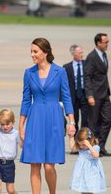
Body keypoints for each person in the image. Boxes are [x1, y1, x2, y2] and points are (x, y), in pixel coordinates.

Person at [19, 37, 76, 194]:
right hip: (35, 118)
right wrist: (21, 126)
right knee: (35, 163)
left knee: (49, 165)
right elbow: (25, 100)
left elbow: (67, 97)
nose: (32, 54)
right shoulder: (28, 73)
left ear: (45, 52)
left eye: (35, 51)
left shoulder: (60, 72)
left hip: (54, 119)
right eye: (31, 51)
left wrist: (71, 122)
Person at [84, 33, 111, 157]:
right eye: (105, 42)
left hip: (105, 94)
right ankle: (92, 148)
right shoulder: (92, 57)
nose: (107, 44)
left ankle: (100, 146)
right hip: (94, 95)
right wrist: (89, 95)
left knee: (108, 119)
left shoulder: (104, 55)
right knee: (93, 123)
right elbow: (87, 77)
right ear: (98, 43)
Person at [69, 127, 106, 193]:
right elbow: (72, 148)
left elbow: (96, 156)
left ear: (90, 140)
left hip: (91, 173)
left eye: (83, 145)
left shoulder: (95, 147)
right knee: (83, 189)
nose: (81, 147)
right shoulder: (81, 149)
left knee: (90, 189)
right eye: (80, 145)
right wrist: (71, 137)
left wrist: (89, 146)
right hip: (82, 173)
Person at [63, 45, 88, 136]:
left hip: (85, 96)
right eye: (79, 53)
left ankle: (84, 139)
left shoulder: (87, 64)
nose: (82, 54)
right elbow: (63, 85)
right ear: (73, 54)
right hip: (73, 97)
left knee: (86, 120)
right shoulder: (66, 67)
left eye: (82, 52)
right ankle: (75, 143)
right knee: (75, 120)